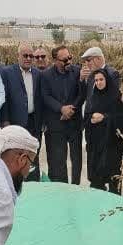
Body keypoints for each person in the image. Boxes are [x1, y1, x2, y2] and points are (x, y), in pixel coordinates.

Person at [37, 45, 84, 184]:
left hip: (74, 124)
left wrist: (71, 110)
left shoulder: (77, 72)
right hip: (56, 125)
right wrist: (61, 109)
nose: (68, 62)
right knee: (58, 162)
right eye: (64, 60)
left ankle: (76, 187)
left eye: (70, 58)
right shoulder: (46, 75)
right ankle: (61, 190)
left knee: (76, 160)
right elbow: (46, 96)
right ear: (55, 60)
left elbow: (82, 94)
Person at [0, 44, 42, 181]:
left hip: (34, 122)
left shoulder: (37, 74)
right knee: (15, 157)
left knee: (33, 156)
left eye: (31, 56)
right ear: (18, 56)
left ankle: (33, 186)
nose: (29, 58)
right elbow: (3, 98)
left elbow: (40, 99)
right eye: (25, 55)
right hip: (14, 123)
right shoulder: (7, 73)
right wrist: (5, 122)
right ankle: (14, 186)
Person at [84, 68, 123, 193]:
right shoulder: (93, 97)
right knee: (97, 179)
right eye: (96, 80)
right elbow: (86, 117)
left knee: (113, 178)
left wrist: (105, 118)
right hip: (96, 144)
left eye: (101, 79)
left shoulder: (117, 96)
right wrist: (91, 119)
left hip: (112, 144)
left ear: (107, 80)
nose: (98, 83)